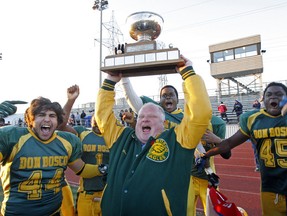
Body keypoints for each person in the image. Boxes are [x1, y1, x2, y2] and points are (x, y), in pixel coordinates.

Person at [95, 55, 212, 215]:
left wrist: (188, 73)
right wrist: (110, 81)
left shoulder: (177, 141)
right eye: (141, 116)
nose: (145, 119)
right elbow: (102, 118)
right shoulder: (121, 138)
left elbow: (201, 114)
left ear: (163, 124)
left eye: (152, 117)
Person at [0, 96, 106, 215]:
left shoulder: (66, 141)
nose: (47, 119)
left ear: (58, 121)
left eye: (52, 115)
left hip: (53, 212)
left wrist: (102, 169)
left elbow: (82, 169)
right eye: (41, 115)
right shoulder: (12, 137)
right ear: (31, 119)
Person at [203, 82, 287, 216]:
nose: (273, 98)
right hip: (271, 186)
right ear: (263, 99)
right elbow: (229, 143)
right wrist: (206, 154)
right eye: (269, 95)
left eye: (279, 94)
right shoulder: (253, 119)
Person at [59, 84, 109, 216]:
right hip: (86, 193)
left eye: (101, 116)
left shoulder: (114, 136)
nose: (98, 120)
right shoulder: (82, 133)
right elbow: (61, 124)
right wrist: (71, 100)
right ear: (92, 118)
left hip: (108, 192)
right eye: (96, 116)